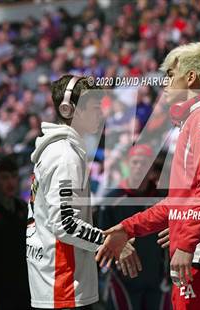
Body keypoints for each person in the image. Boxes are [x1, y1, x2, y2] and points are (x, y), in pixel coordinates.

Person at [96, 42, 200, 310]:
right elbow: (181, 200)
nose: (165, 82)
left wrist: (185, 244)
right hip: (197, 254)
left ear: (191, 77)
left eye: (170, 75)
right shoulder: (199, 118)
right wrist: (127, 229)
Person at [26, 75, 136, 309]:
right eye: (96, 108)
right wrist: (110, 242)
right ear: (69, 109)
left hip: (55, 281)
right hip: (63, 284)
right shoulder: (65, 155)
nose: (101, 114)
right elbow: (65, 223)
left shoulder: (56, 150)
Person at [98, 144, 166, 310]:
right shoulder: (111, 200)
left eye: (144, 163)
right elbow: (99, 238)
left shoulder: (164, 199)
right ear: (127, 165)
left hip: (157, 280)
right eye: (135, 162)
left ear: (151, 169)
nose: (139, 167)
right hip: (123, 281)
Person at [0, 156, 30, 309]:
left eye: (14, 177)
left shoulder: (22, 208)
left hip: (22, 287)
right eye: (4, 178)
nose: (11, 183)